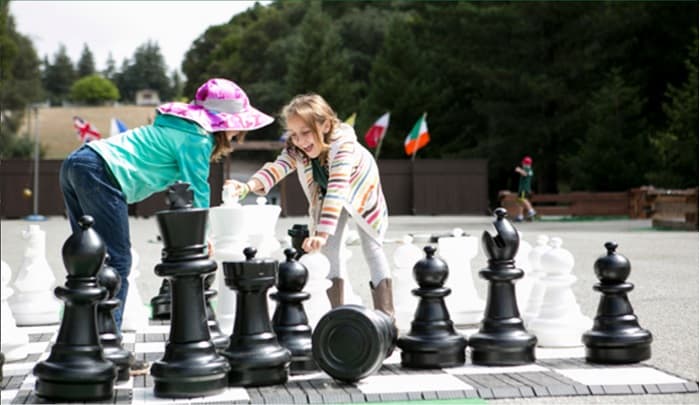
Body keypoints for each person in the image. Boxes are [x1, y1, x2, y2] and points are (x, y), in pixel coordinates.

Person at [59, 78, 274, 374]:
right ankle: (108, 350)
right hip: (101, 171)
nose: (240, 131)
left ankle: (84, 344)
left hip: (76, 163)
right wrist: (204, 237)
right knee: (117, 261)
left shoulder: (176, 126)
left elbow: (175, 187)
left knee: (88, 263)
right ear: (224, 122)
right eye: (238, 124)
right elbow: (196, 189)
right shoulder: (197, 138)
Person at [228, 93, 396, 320]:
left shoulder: (343, 146)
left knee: (372, 249)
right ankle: (336, 318)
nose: (300, 140)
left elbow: (338, 188)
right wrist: (247, 187)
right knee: (328, 253)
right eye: (294, 134)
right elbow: (277, 168)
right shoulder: (297, 148)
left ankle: (388, 318)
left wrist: (322, 233)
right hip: (329, 196)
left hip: (361, 190)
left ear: (325, 125)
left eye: (306, 133)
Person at [514, 155, 536, 222]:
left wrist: (519, 170)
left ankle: (531, 210)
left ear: (524, 163)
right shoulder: (530, 170)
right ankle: (520, 216)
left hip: (524, 189)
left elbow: (525, 174)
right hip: (524, 188)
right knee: (519, 202)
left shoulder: (526, 169)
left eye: (523, 163)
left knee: (523, 199)